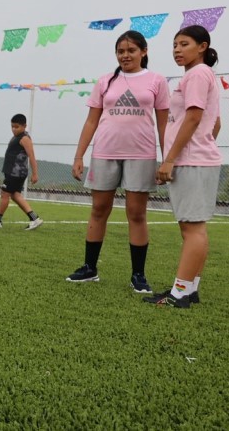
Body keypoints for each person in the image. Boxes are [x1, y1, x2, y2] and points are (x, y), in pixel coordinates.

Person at [66, 30, 169, 293]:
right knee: (99, 210)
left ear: (144, 52)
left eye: (131, 50)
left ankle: (138, 275)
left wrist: (167, 159)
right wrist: (79, 155)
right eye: (120, 51)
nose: (125, 55)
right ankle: (90, 268)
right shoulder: (105, 82)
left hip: (141, 154)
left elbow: (163, 124)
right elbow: (91, 121)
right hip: (104, 152)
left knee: (136, 213)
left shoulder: (156, 81)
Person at [144, 25, 221, 308]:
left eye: (184, 43)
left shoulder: (198, 73)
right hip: (196, 159)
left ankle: (180, 293)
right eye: (175, 44)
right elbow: (216, 124)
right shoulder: (198, 75)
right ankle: (188, 288)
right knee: (193, 228)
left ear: (202, 47)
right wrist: (201, 147)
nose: (177, 49)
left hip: (191, 161)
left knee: (193, 230)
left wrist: (171, 157)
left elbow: (194, 117)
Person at [0, 114, 42, 230]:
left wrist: (35, 173)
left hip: (16, 173)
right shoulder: (16, 137)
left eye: (17, 127)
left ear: (24, 126)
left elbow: (32, 156)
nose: (14, 129)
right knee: (15, 195)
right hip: (11, 172)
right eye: (12, 127)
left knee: (5, 194)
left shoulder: (25, 138)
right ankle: (34, 218)